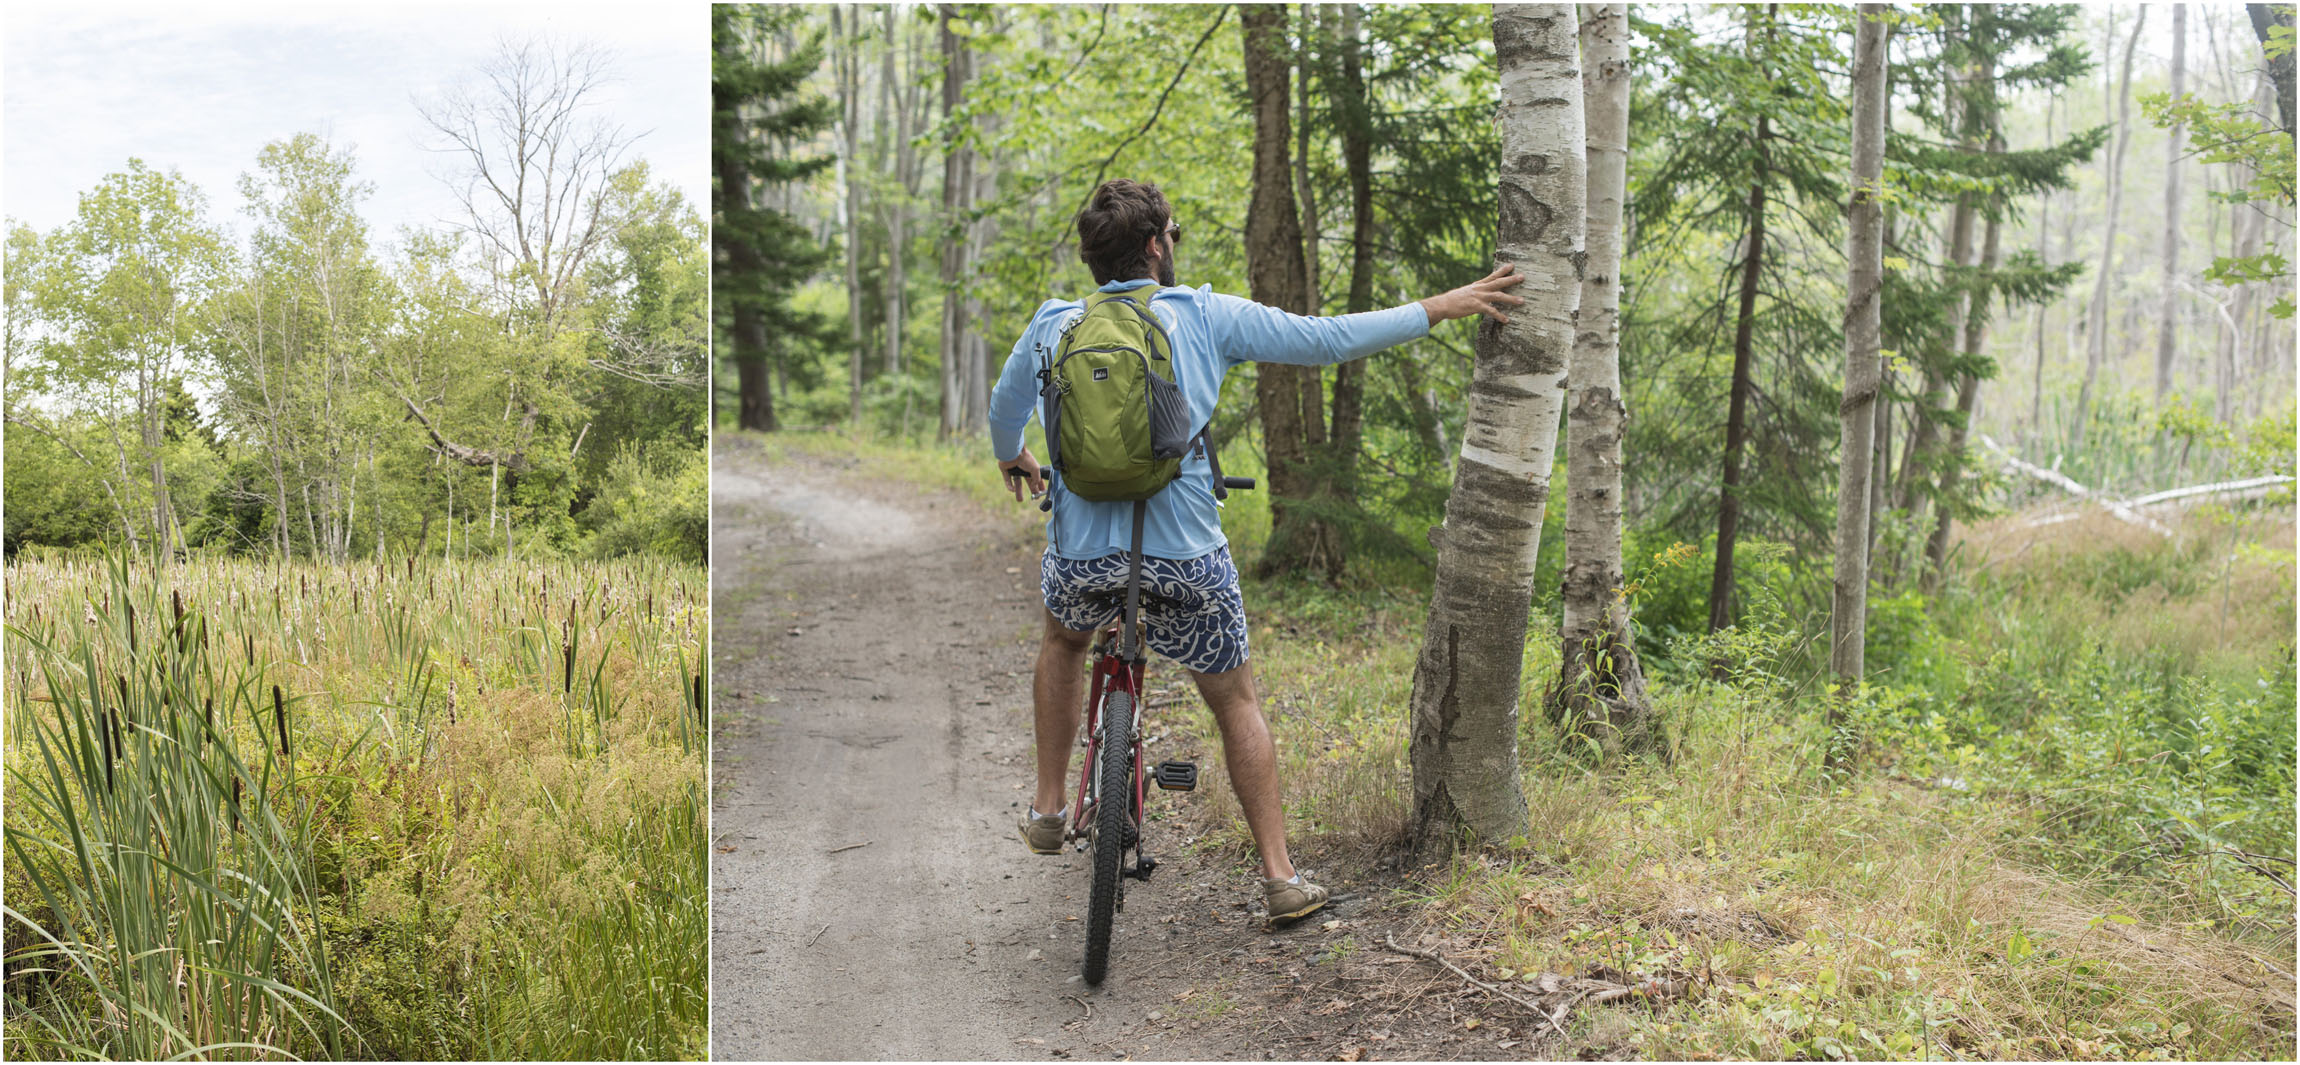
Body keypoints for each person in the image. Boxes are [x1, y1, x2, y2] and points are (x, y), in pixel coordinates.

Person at [988, 178, 1523, 926]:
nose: (1174, 245)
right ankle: (1279, 876)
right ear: (1153, 247)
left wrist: (1015, 456)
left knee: (1062, 637)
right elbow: (1326, 339)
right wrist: (1440, 306)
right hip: (1189, 562)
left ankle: (1047, 805)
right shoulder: (1204, 316)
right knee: (1234, 698)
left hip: (1083, 557)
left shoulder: (1052, 325)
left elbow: (1004, 411)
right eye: (1171, 234)